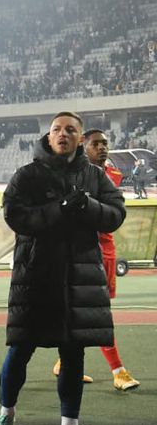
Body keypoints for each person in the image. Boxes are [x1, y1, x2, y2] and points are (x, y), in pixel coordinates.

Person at [0, 112, 125, 425]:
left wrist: (88, 206)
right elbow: (17, 217)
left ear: (80, 139)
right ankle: (6, 413)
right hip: (36, 276)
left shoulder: (95, 176)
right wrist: (60, 209)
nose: (63, 134)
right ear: (48, 137)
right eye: (57, 129)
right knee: (20, 349)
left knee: (74, 352)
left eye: (71, 130)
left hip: (78, 276)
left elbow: (116, 213)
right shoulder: (27, 175)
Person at [51, 129, 139, 391]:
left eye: (105, 144)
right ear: (83, 146)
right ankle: (118, 371)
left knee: (86, 312)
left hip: (106, 250)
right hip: (81, 251)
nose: (102, 148)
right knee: (98, 312)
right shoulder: (72, 174)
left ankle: (63, 363)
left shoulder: (112, 175)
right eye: (95, 144)